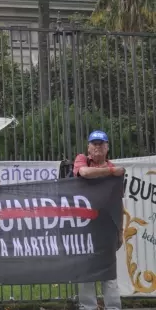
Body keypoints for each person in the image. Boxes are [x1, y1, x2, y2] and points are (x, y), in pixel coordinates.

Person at [73, 130, 124, 310]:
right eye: (94, 144)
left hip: (106, 227)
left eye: (101, 144)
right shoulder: (82, 160)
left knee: (109, 275)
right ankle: (88, 307)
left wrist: (120, 231)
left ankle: (114, 307)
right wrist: (110, 171)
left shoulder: (115, 170)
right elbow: (84, 173)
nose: (97, 147)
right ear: (88, 147)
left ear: (107, 147)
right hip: (84, 226)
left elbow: (118, 204)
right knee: (86, 273)